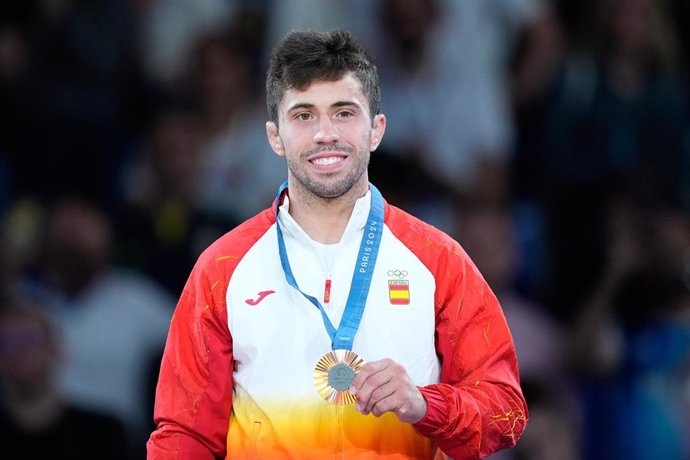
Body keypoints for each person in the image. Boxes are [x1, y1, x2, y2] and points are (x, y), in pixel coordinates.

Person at [147, 29, 527, 459]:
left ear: (376, 130)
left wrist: (424, 404)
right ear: (275, 136)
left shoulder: (439, 261)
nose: (325, 133)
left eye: (344, 113)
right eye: (304, 115)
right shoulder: (222, 269)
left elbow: (506, 412)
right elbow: (183, 435)